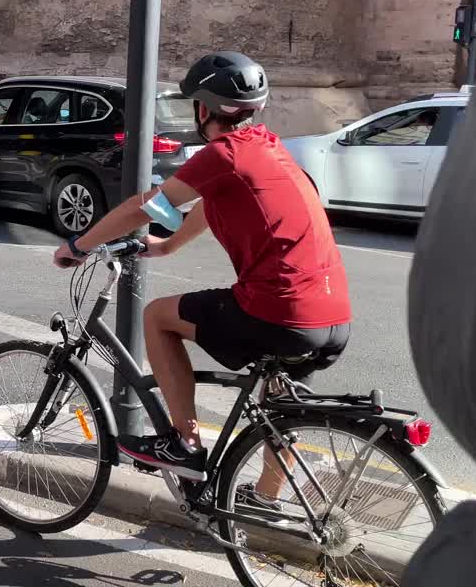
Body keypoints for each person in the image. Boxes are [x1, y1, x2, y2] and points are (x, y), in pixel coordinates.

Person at [52, 51, 352, 508]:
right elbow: (216, 202)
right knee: (280, 406)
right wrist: (168, 246)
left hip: (279, 310)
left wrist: (78, 246)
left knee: (157, 317)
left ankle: (184, 445)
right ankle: (263, 503)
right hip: (331, 316)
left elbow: (144, 205)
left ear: (204, 108)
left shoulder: (224, 153)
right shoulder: (269, 148)